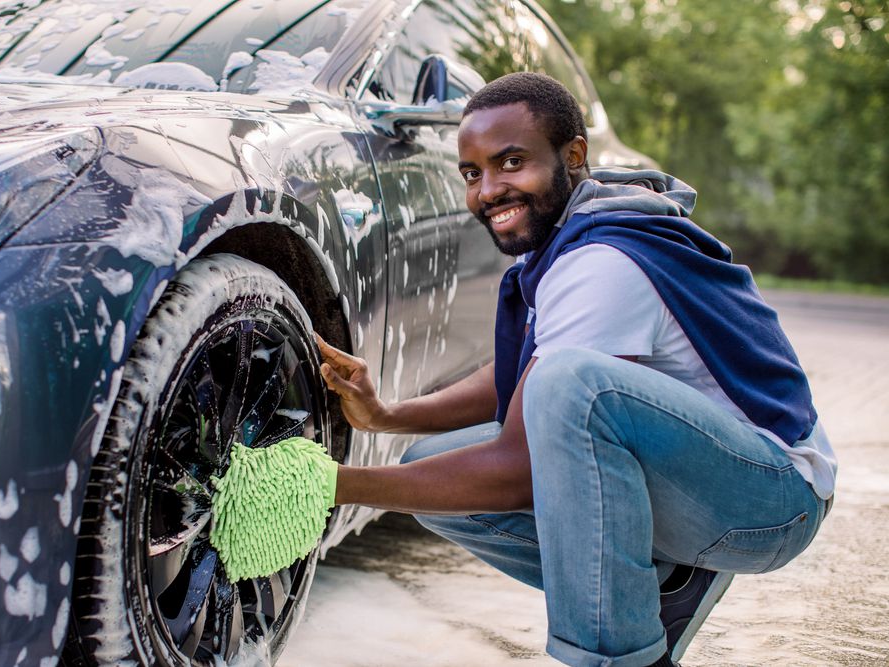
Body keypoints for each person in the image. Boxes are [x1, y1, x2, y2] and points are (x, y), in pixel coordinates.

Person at [316, 71, 836, 667]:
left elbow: (517, 467)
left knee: (574, 389)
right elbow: (518, 375)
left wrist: (337, 485)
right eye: (472, 173)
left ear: (574, 155)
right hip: (710, 477)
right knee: (429, 464)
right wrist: (388, 417)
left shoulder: (601, 260)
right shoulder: (569, 233)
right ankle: (664, 584)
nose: (488, 191)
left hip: (770, 500)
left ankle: (613, 659)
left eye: (511, 162)